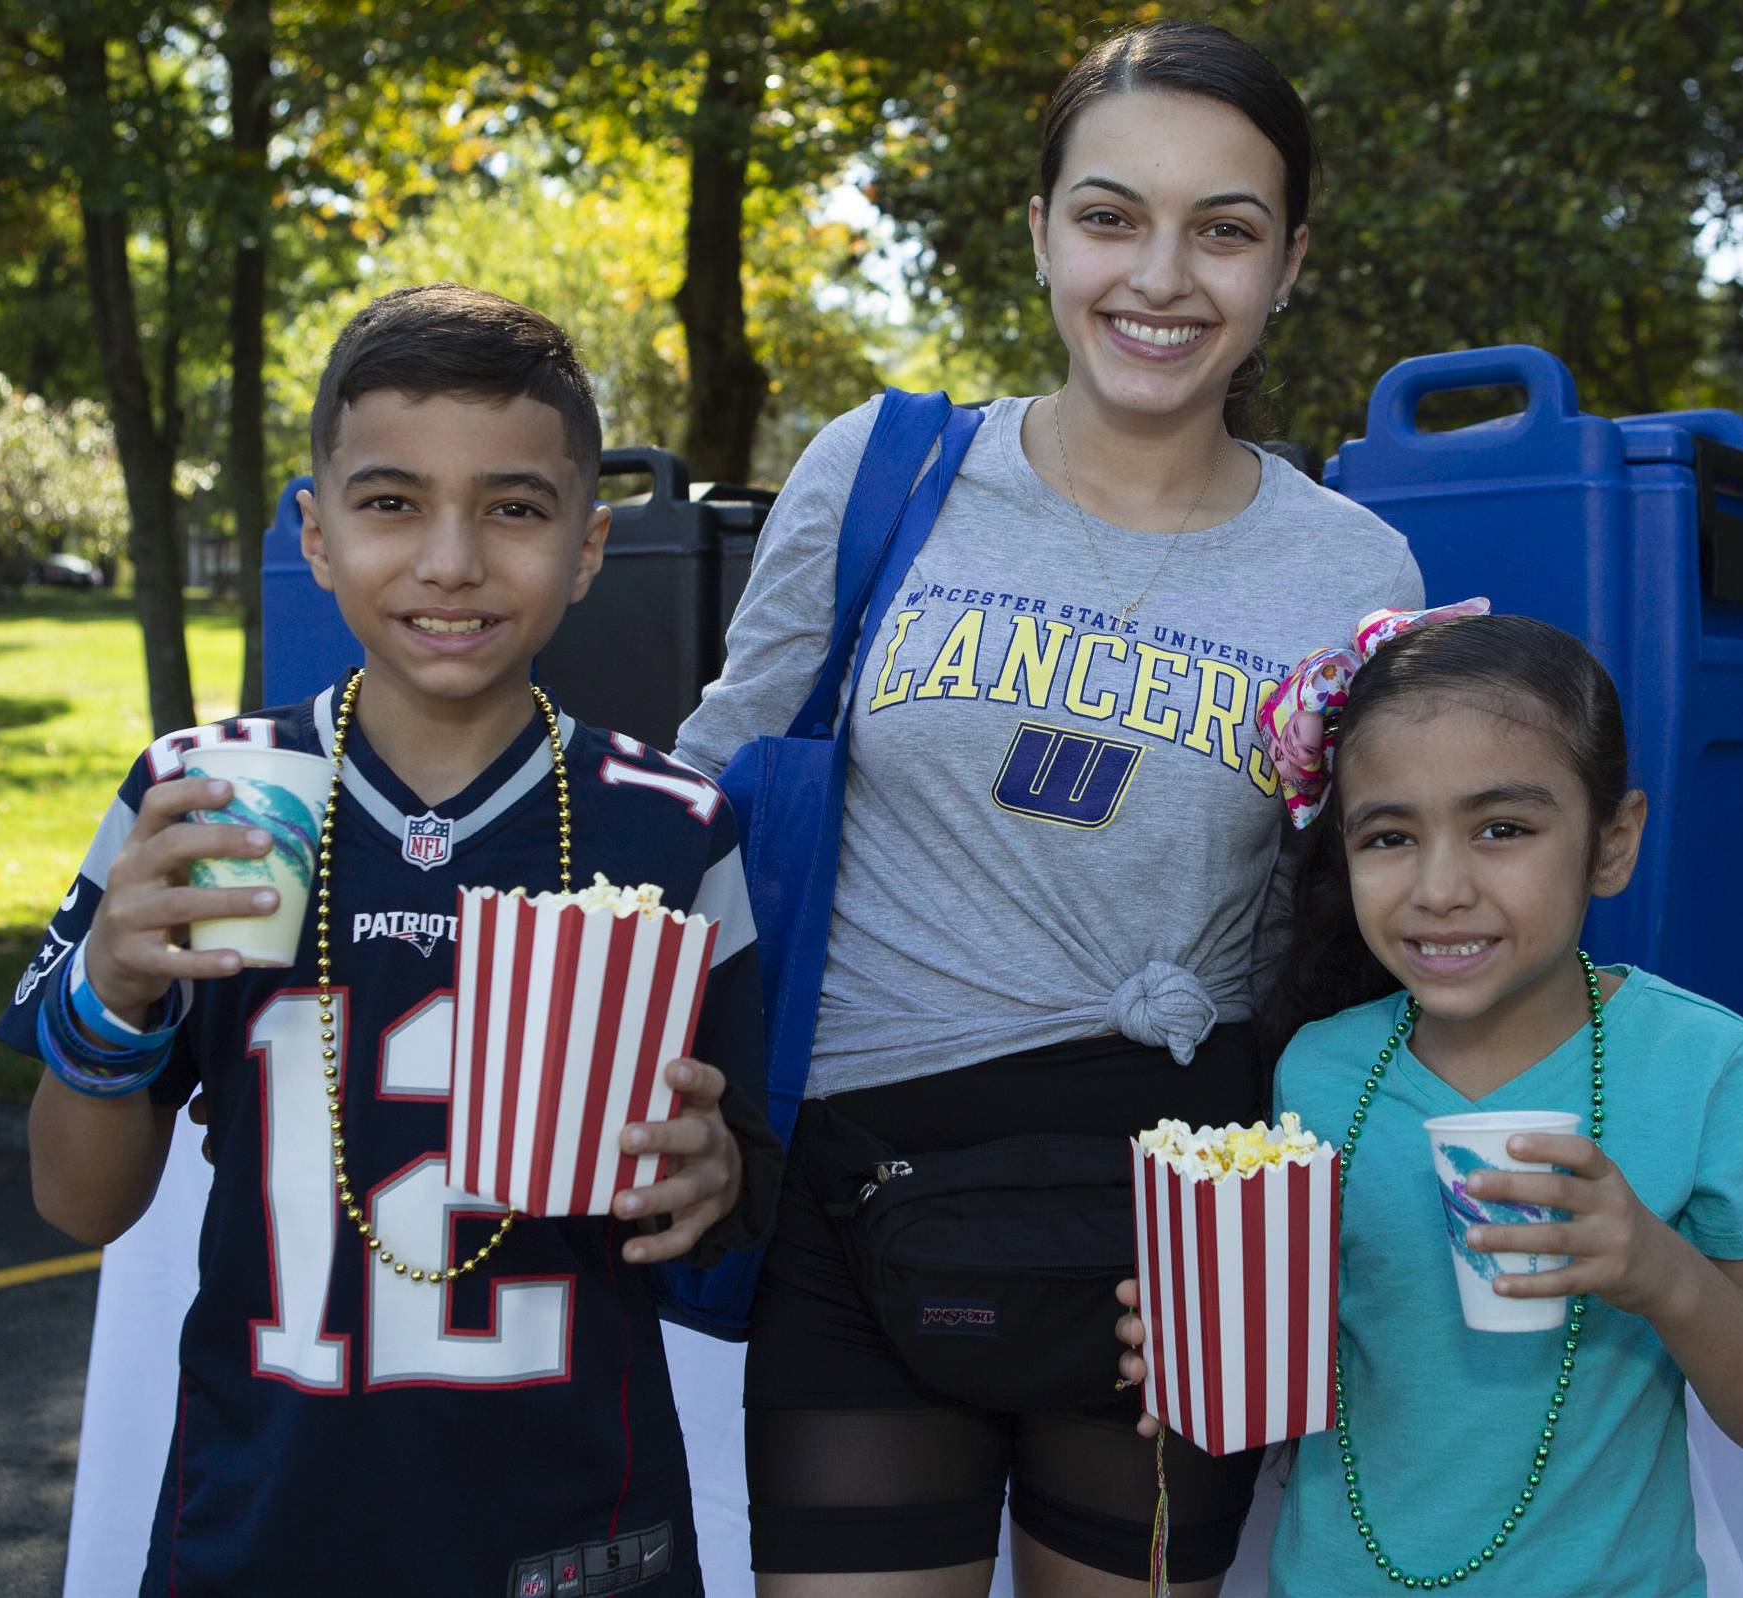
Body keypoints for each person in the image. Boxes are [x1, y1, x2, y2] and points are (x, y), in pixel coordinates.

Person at [671, 21, 1425, 1597]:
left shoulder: (1358, 571)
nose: (1161, 275)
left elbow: (1373, 924)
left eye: (1223, 229)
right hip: (854, 1210)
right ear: (1039, 234)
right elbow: (708, 791)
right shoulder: (881, 470)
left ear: (1287, 264)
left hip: (1182, 1235)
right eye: (1110, 216)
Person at [0, 284, 782, 1598]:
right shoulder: (207, 800)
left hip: (578, 1546)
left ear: (590, 546)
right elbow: (80, 1201)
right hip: (259, 1533)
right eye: (391, 501)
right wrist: (113, 985)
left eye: (514, 508)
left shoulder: (673, 829)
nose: (450, 560)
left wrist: (707, 1180)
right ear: (314, 532)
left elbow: (739, 1197)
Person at [1116, 610, 1743, 1596]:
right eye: (1388, 835)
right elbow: (1345, 1372)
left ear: (1610, 841)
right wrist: (1212, 1343)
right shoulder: (1320, 1068)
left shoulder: (1699, 1062)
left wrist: (1661, 1273)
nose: (1438, 887)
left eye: (1500, 827)